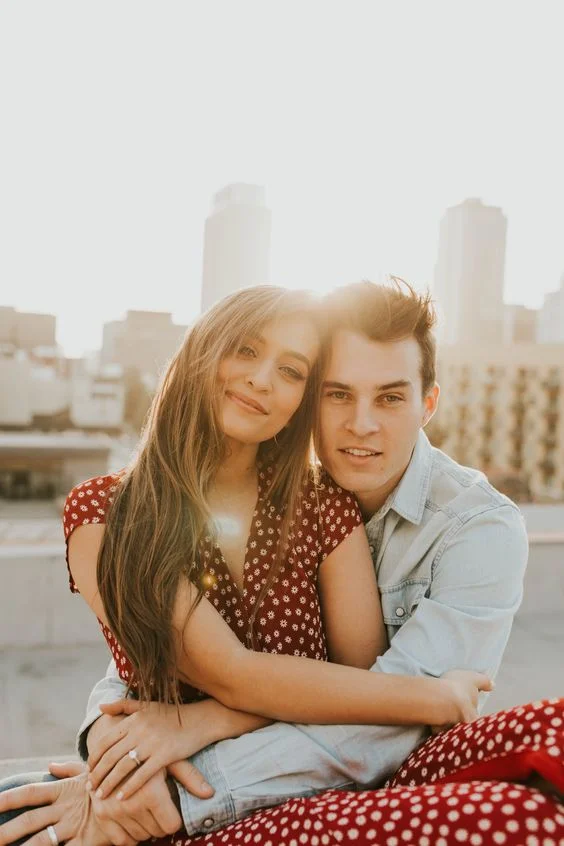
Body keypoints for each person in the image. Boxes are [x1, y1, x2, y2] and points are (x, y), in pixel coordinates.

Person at [4, 280, 560, 846]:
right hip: (171, 792)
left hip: (256, 792)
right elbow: (161, 667)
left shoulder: (341, 510)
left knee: (551, 744)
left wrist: (199, 734)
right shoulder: (108, 511)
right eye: (339, 393)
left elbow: (363, 692)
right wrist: (109, 745)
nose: (362, 424)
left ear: (428, 404)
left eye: (292, 370)